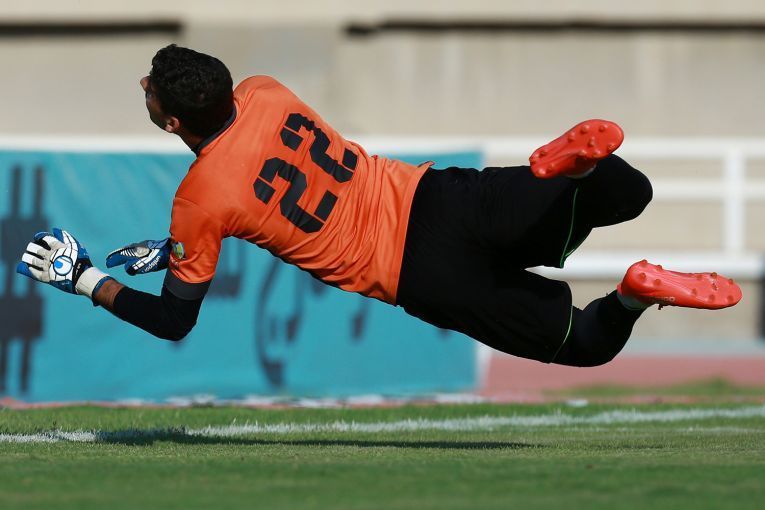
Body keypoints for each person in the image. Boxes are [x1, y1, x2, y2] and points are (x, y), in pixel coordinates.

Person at [17, 44, 741, 368]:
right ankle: (574, 171)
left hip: (417, 272)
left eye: (149, 88)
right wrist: (180, 242)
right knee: (629, 193)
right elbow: (255, 185)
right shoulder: (265, 90)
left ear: (173, 121)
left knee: (585, 342)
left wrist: (85, 279)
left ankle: (633, 294)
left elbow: (174, 319)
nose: (143, 87)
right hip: (433, 195)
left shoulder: (200, 198)